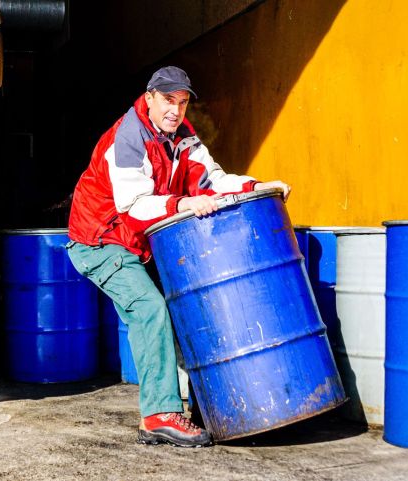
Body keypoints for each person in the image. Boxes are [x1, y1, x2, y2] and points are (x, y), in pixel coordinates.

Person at [66, 66, 290, 447]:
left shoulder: (183, 136)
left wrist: (256, 185)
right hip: (99, 241)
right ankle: (158, 415)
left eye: (183, 102)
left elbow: (212, 179)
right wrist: (186, 203)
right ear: (150, 98)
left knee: (187, 307)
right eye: (169, 100)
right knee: (150, 308)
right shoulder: (128, 138)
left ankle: (213, 400)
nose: (176, 110)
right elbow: (134, 207)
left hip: (140, 245)